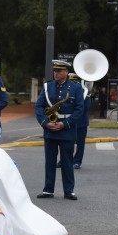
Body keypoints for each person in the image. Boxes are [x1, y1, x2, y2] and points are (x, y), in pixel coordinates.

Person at [35, 60, 85, 200]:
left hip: (66, 129)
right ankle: (48, 190)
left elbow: (79, 110)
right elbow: (39, 107)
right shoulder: (47, 87)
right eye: (55, 71)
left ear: (66, 72)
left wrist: (65, 124)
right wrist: (45, 123)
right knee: (49, 161)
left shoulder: (75, 88)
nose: (56, 73)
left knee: (67, 162)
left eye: (59, 71)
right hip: (50, 128)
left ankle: (69, 190)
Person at [71, 73, 93, 169]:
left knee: (80, 143)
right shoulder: (67, 90)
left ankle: (77, 161)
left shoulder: (85, 91)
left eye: (74, 80)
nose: (72, 82)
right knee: (67, 143)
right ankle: (64, 160)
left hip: (81, 122)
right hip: (70, 121)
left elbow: (86, 106)